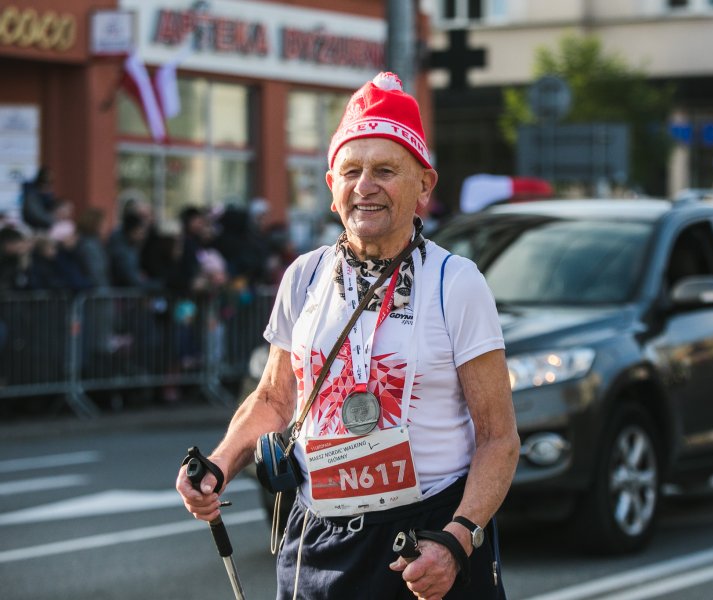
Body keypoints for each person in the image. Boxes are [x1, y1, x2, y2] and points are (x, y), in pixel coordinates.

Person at [176, 72, 519, 600]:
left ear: (424, 185)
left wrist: (456, 540)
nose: (365, 185)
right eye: (351, 170)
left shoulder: (457, 282)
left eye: (386, 170)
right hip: (320, 537)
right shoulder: (304, 276)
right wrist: (220, 464)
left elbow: (498, 437)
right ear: (332, 187)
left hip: (425, 538)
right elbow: (273, 398)